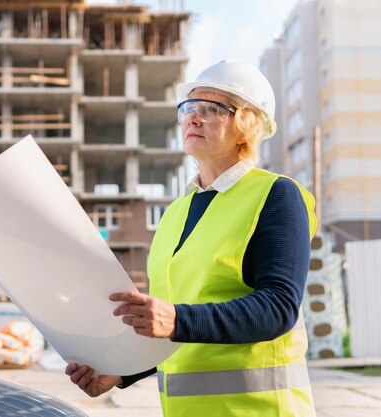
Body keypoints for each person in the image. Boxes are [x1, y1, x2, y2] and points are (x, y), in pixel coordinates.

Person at [65, 61, 318, 416]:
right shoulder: (174, 214)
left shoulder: (276, 195)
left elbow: (278, 308)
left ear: (246, 124)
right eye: (189, 108)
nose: (193, 117)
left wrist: (177, 320)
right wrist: (121, 371)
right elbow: (177, 326)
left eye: (212, 109)